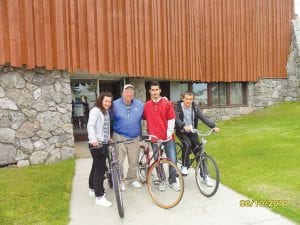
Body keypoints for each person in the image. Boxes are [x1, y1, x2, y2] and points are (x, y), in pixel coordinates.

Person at [143, 81, 180, 192]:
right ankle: (162, 180)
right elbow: (144, 119)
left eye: (156, 90)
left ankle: (173, 181)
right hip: (155, 139)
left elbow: (172, 120)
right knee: (157, 160)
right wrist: (147, 131)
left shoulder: (167, 103)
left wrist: (168, 134)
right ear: (150, 91)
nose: (155, 92)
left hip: (168, 138)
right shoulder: (147, 105)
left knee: (172, 160)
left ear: (160, 90)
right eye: (152, 90)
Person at [175, 91, 220, 181]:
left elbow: (202, 117)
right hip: (181, 130)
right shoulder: (177, 107)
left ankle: (205, 176)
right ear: (183, 98)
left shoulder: (195, 107)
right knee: (187, 144)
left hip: (192, 131)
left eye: (190, 99)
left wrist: (213, 126)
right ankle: (184, 166)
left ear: (193, 100)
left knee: (199, 152)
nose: (188, 101)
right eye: (186, 99)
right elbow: (176, 118)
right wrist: (183, 126)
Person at [112, 84, 144, 191]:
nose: (129, 94)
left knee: (134, 161)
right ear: (122, 93)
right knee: (119, 161)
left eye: (131, 91)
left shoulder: (139, 104)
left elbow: (144, 117)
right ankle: (120, 180)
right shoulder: (115, 104)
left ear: (133, 93)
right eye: (127, 91)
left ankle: (132, 179)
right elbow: (109, 119)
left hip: (134, 137)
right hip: (119, 136)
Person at [87, 92, 113, 207]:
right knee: (100, 169)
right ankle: (99, 196)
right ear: (101, 100)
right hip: (97, 144)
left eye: (109, 101)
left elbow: (104, 127)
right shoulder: (96, 111)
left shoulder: (105, 111)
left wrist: (108, 138)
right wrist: (93, 140)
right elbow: (90, 125)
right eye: (106, 101)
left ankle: (92, 188)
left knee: (95, 166)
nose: (108, 103)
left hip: (103, 142)